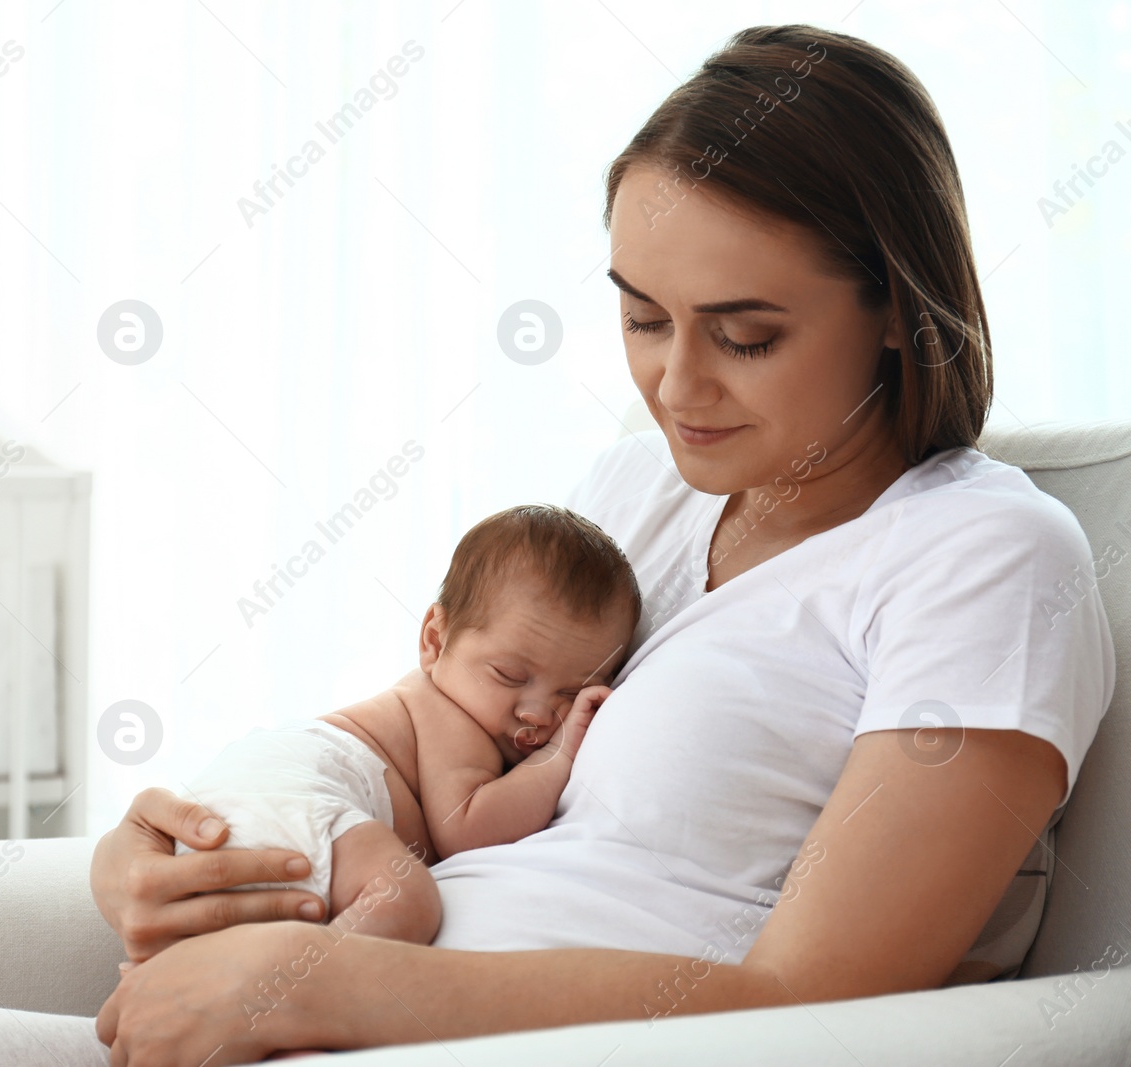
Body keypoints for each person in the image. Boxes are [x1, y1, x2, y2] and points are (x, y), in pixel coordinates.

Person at [89, 24, 1115, 1065]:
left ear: (897, 306)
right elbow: (427, 742)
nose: (675, 387)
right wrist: (185, 848)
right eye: (641, 318)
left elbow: (816, 997)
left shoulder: (989, 556)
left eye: (745, 336)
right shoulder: (637, 490)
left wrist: (324, 986)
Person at [162, 504, 641, 946]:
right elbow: (469, 831)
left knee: (234, 942)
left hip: (249, 800)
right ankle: (283, 998)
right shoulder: (448, 715)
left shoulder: (455, 701)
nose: (537, 712)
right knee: (403, 903)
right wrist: (556, 756)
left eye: (571, 694)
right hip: (290, 792)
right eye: (509, 675)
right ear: (435, 639)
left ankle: (188, 978)